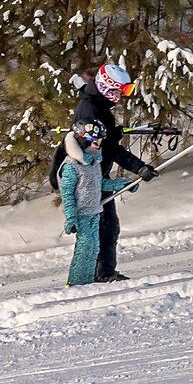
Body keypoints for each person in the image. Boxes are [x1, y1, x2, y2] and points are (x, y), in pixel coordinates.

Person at [72, 63, 159, 282]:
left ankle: (101, 273)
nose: (121, 96)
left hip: (97, 176)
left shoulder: (96, 105)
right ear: (106, 87)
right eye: (119, 91)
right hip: (89, 180)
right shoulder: (91, 110)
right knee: (103, 228)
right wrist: (138, 167)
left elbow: (105, 141)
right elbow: (108, 148)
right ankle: (99, 275)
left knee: (107, 227)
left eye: (125, 91)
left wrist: (112, 133)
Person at [60, 120, 132, 286]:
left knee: (94, 247)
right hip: (81, 215)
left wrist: (122, 184)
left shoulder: (93, 164)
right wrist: (71, 217)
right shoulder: (71, 167)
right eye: (95, 141)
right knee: (85, 247)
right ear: (83, 141)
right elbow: (67, 194)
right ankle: (76, 282)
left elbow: (99, 184)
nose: (99, 145)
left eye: (100, 141)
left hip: (94, 212)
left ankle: (88, 280)